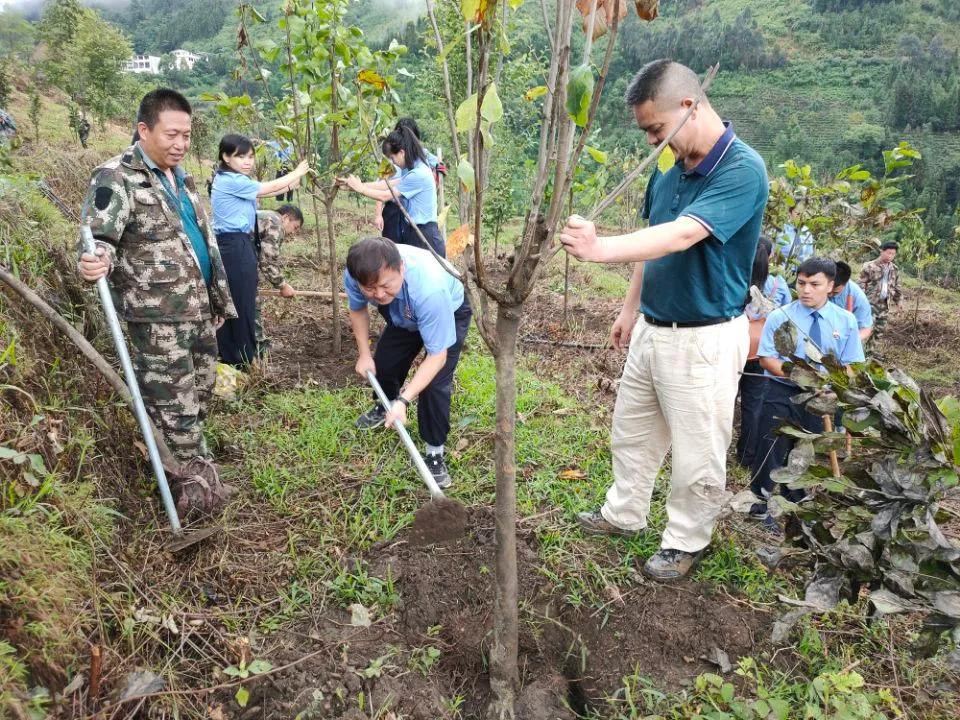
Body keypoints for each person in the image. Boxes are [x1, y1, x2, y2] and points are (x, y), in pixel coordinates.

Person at [558, 59, 768, 581]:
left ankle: (685, 540)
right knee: (632, 432)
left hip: (704, 337)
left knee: (698, 450)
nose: (655, 141)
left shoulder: (742, 170)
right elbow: (653, 246)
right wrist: (631, 309)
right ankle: (623, 513)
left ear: (689, 107)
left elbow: (681, 235)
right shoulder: (669, 177)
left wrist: (598, 247)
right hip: (655, 327)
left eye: (657, 129)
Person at [77, 88, 237, 516]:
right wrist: (96, 260)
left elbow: (198, 241)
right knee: (175, 408)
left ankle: (197, 473)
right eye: (172, 134)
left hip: (198, 311)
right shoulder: (115, 175)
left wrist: (215, 299)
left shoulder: (181, 177)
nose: (181, 144)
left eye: (186, 135)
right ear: (144, 129)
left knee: (200, 395)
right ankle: (196, 497)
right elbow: (100, 236)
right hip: (158, 321)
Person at [345, 237, 471, 488]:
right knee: (386, 362)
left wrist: (405, 400)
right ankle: (384, 405)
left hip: (447, 309)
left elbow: (437, 357)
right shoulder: (356, 275)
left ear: (401, 268)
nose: (378, 294)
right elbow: (357, 309)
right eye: (370, 289)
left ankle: (434, 451)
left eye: (384, 285)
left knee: (434, 384)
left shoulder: (430, 290)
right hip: (403, 311)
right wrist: (364, 354)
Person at [749, 258, 864, 530]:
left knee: (806, 451)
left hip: (820, 399)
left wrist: (829, 382)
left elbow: (853, 364)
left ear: (831, 286)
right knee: (772, 447)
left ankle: (796, 504)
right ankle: (760, 503)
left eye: (815, 284)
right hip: (781, 391)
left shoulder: (845, 322)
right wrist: (801, 377)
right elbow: (767, 358)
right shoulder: (781, 316)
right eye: (801, 283)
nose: (806, 290)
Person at [210, 133, 309, 367]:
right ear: (226, 157)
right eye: (241, 156)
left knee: (235, 302)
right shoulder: (232, 181)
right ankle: (242, 359)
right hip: (233, 246)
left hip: (236, 244)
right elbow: (270, 187)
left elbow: (276, 189)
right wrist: (298, 171)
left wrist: (296, 177)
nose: (248, 161)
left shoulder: (231, 178)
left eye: (251, 156)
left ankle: (234, 356)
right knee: (242, 305)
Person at [339, 127, 445, 256]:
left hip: (425, 236)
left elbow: (385, 195)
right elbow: (387, 185)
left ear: (401, 152)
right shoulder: (415, 168)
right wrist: (354, 185)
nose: (392, 162)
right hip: (416, 232)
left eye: (392, 157)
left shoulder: (418, 174)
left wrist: (360, 188)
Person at [737, 236, 785, 468]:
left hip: (734, 345)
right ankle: (746, 456)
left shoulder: (737, 277)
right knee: (753, 405)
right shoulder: (779, 285)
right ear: (772, 257)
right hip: (762, 352)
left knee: (722, 401)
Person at [373, 118, 444, 242]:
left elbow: (439, 164)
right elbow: (382, 185)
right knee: (393, 248)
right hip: (393, 209)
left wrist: (438, 171)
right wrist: (378, 215)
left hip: (411, 213)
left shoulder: (422, 155)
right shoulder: (391, 159)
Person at [255, 204, 303, 354]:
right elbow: (268, 261)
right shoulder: (275, 221)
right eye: (295, 227)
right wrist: (282, 285)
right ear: (286, 218)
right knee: (251, 303)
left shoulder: (263, 215)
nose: (292, 233)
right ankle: (259, 346)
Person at [858, 240, 902, 343]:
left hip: (884, 305)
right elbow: (861, 284)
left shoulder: (894, 269)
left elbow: (897, 286)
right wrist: (861, 302)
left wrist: (899, 301)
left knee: (879, 331)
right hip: (870, 304)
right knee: (866, 330)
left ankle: (871, 354)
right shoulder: (869, 266)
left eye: (893, 254)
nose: (891, 256)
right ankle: (860, 355)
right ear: (881, 251)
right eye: (889, 253)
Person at [828, 261, 873, 343]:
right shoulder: (816, 283)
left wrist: (848, 341)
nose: (830, 294)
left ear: (845, 284)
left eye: (835, 292)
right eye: (827, 291)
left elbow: (865, 329)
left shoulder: (858, 298)